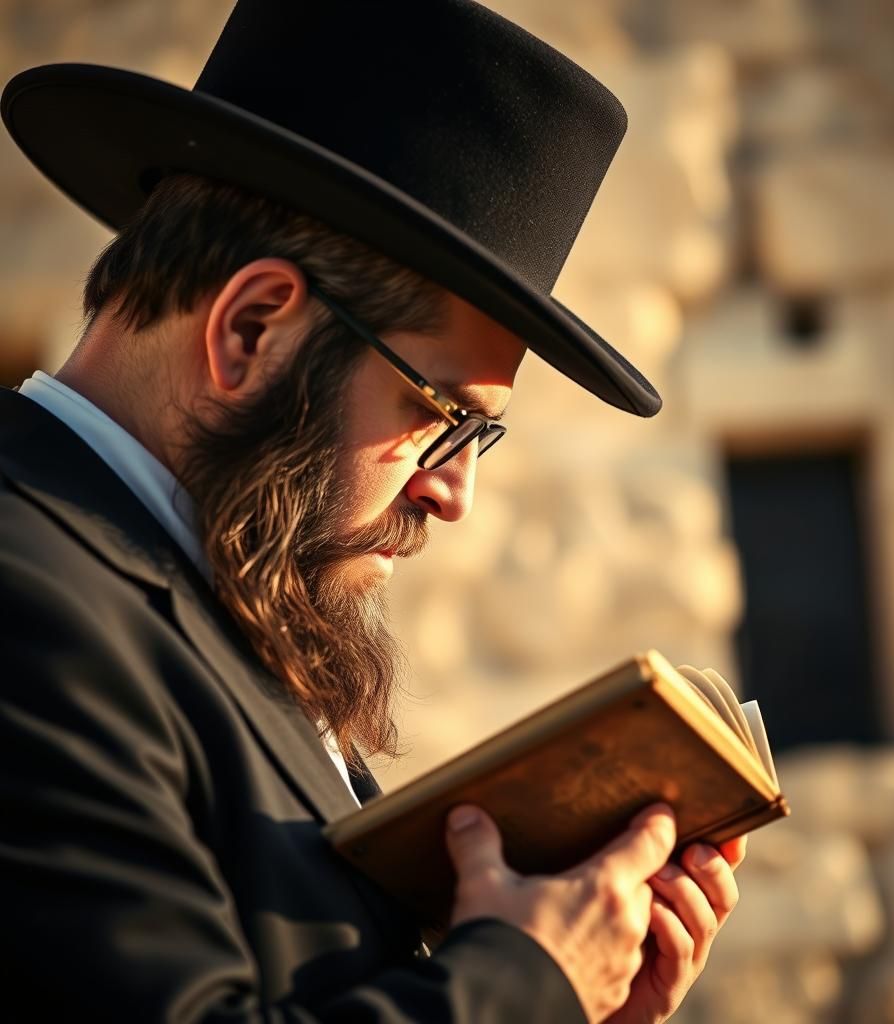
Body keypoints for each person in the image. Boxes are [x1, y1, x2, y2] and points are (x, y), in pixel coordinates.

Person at [0, 1, 745, 1021]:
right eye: (438, 414)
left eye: (476, 437)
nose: (454, 492)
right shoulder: (28, 598)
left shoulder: (214, 598)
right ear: (252, 330)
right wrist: (526, 980)